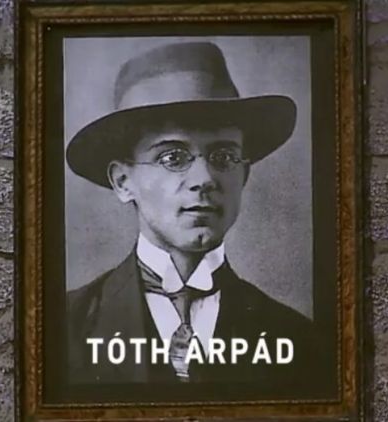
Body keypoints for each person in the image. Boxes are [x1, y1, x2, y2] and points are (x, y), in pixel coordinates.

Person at [64, 41, 322, 389]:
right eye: (173, 157)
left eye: (224, 157)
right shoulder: (64, 327)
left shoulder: (298, 338)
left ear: (244, 175)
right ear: (123, 182)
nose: (204, 179)